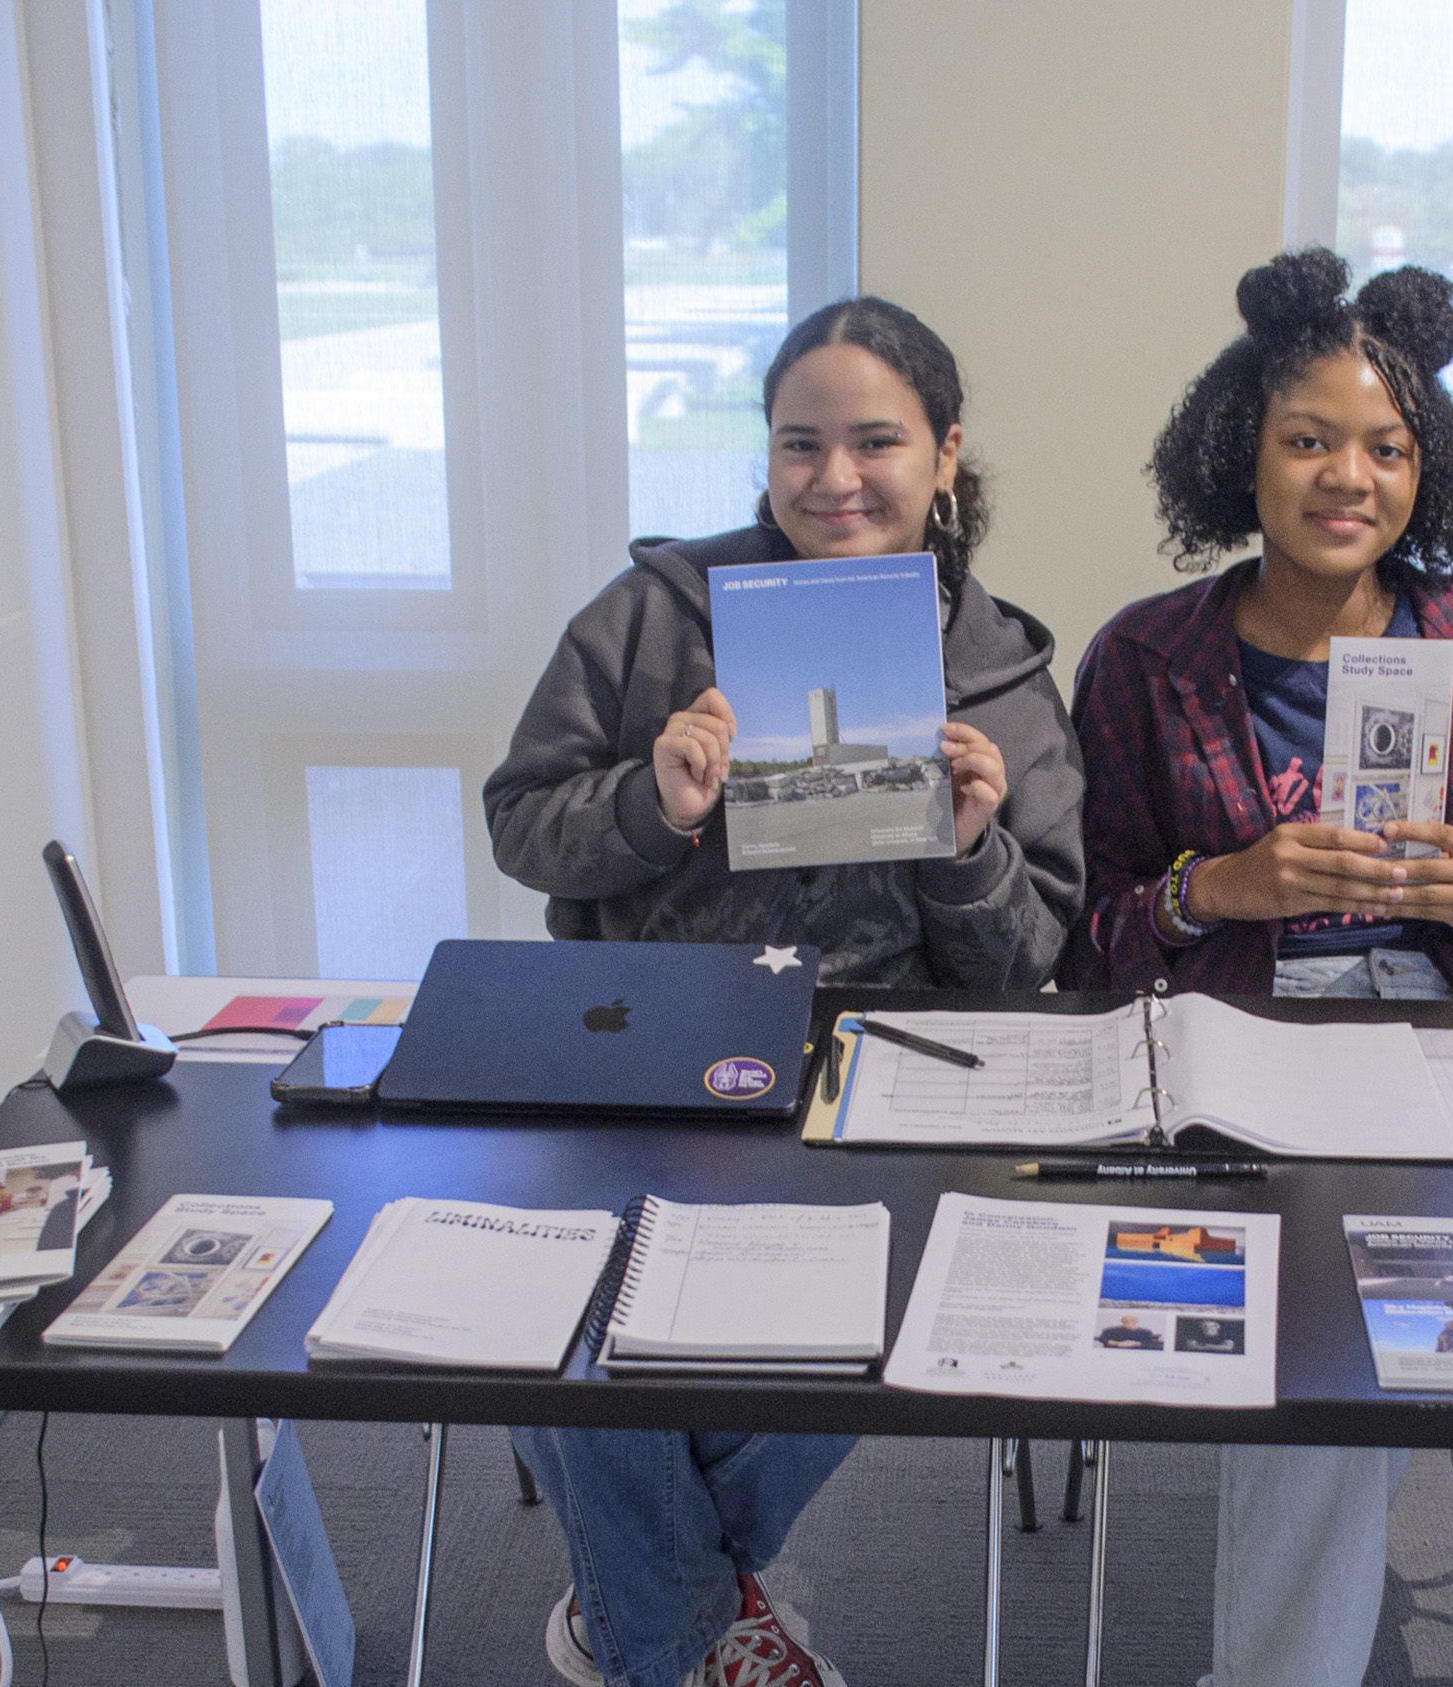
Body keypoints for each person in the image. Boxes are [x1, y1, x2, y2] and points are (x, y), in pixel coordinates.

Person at [485, 295, 1086, 1687]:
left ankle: (646, 1611)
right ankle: (694, 1623)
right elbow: (521, 823)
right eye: (798, 443)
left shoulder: (1000, 673)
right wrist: (651, 799)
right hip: (651, 1039)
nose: (834, 479)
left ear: (946, 454)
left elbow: (1028, 961)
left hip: (892, 1071)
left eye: (876, 442)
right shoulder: (647, 621)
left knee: (916, 1303)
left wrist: (971, 852)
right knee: (580, 1309)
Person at [1057, 248, 1453, 1687]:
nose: (1346, 478)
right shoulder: (1143, 659)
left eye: (1386, 448)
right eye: (1308, 440)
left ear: (1424, 471)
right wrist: (1217, 887)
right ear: (1238, 455)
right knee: (1313, 1378)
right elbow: (1081, 941)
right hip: (1247, 1049)